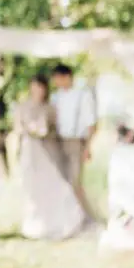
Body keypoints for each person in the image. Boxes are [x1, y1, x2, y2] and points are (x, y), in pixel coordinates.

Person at [14, 74, 87, 240]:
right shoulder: (22, 107)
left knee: (50, 185)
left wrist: (38, 130)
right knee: (31, 186)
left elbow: (50, 130)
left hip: (46, 151)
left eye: (40, 87)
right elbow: (19, 128)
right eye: (35, 87)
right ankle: (35, 221)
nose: (37, 91)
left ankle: (55, 221)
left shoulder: (50, 108)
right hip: (29, 150)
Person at [49, 63, 99, 222]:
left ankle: (85, 218)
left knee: (75, 181)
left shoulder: (82, 96)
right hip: (58, 142)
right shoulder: (55, 97)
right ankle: (68, 218)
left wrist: (87, 148)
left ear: (67, 77)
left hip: (76, 142)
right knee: (61, 181)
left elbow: (92, 124)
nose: (56, 83)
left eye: (58, 79)